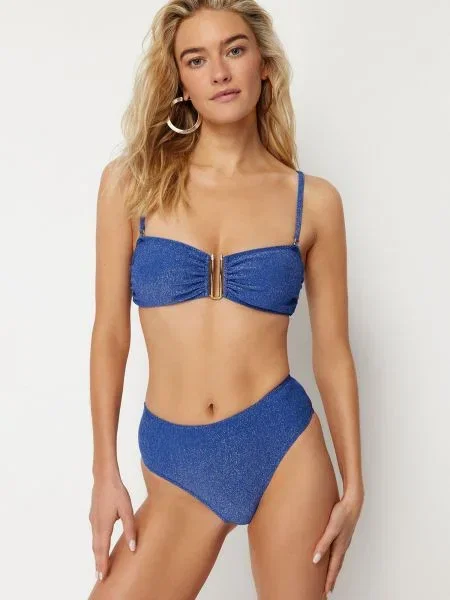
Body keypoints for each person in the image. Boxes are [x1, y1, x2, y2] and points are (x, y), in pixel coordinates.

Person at [88, 1, 364, 598]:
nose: (219, 71)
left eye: (234, 50)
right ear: (179, 81)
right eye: (196, 59)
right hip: (178, 455)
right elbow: (110, 333)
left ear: (263, 64)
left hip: (282, 443)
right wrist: (104, 471)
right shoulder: (130, 184)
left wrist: (355, 484)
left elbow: (333, 350)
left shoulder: (313, 202)